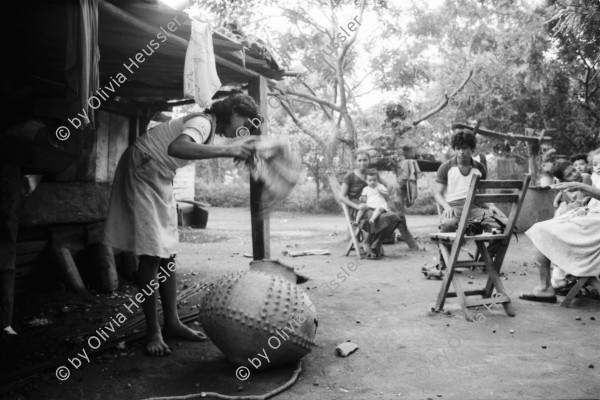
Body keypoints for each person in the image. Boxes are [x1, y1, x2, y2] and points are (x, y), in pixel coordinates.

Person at [103, 92, 260, 356]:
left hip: (159, 174)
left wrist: (232, 149)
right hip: (143, 169)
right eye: (245, 119)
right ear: (233, 112)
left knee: (168, 252)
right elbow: (177, 148)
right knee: (152, 253)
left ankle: (172, 322)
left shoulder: (208, 128)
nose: (245, 127)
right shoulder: (203, 123)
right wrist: (227, 149)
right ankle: (152, 331)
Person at [520, 147, 600, 303]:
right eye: (596, 164)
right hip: (590, 219)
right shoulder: (596, 177)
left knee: (542, 229)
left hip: (595, 224)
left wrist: (581, 187)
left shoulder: (587, 180)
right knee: (542, 229)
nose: (599, 167)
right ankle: (546, 286)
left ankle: (552, 282)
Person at [339, 151, 400, 260]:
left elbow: (389, 186)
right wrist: (357, 206)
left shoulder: (372, 174)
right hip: (359, 207)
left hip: (375, 204)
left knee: (395, 218)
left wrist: (384, 194)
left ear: (369, 161)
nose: (362, 163)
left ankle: (375, 242)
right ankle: (368, 244)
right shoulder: (350, 176)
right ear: (355, 161)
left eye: (365, 160)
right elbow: (341, 197)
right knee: (375, 216)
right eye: (359, 160)